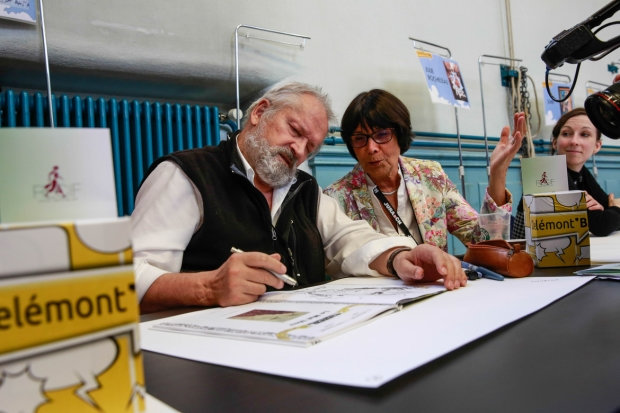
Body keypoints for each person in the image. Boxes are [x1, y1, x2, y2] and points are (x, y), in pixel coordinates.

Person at [131, 82, 467, 314]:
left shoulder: (303, 189)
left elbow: (349, 238)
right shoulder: (187, 176)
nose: (299, 150)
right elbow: (126, 280)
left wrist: (400, 257)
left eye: (311, 146)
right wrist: (209, 288)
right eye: (295, 130)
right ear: (260, 112)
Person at [323, 89, 525, 250]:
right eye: (360, 138)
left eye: (382, 135)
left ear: (400, 135)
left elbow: (482, 242)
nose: (371, 147)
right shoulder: (337, 197)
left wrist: (497, 173)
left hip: (433, 286)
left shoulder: (430, 176)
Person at [512, 107, 620, 238]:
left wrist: (608, 211)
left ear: (597, 146)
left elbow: (606, 210)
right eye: (566, 133)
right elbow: (601, 225)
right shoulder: (547, 171)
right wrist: (613, 210)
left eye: (584, 134)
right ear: (555, 142)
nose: (574, 141)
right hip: (526, 250)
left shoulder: (581, 173)